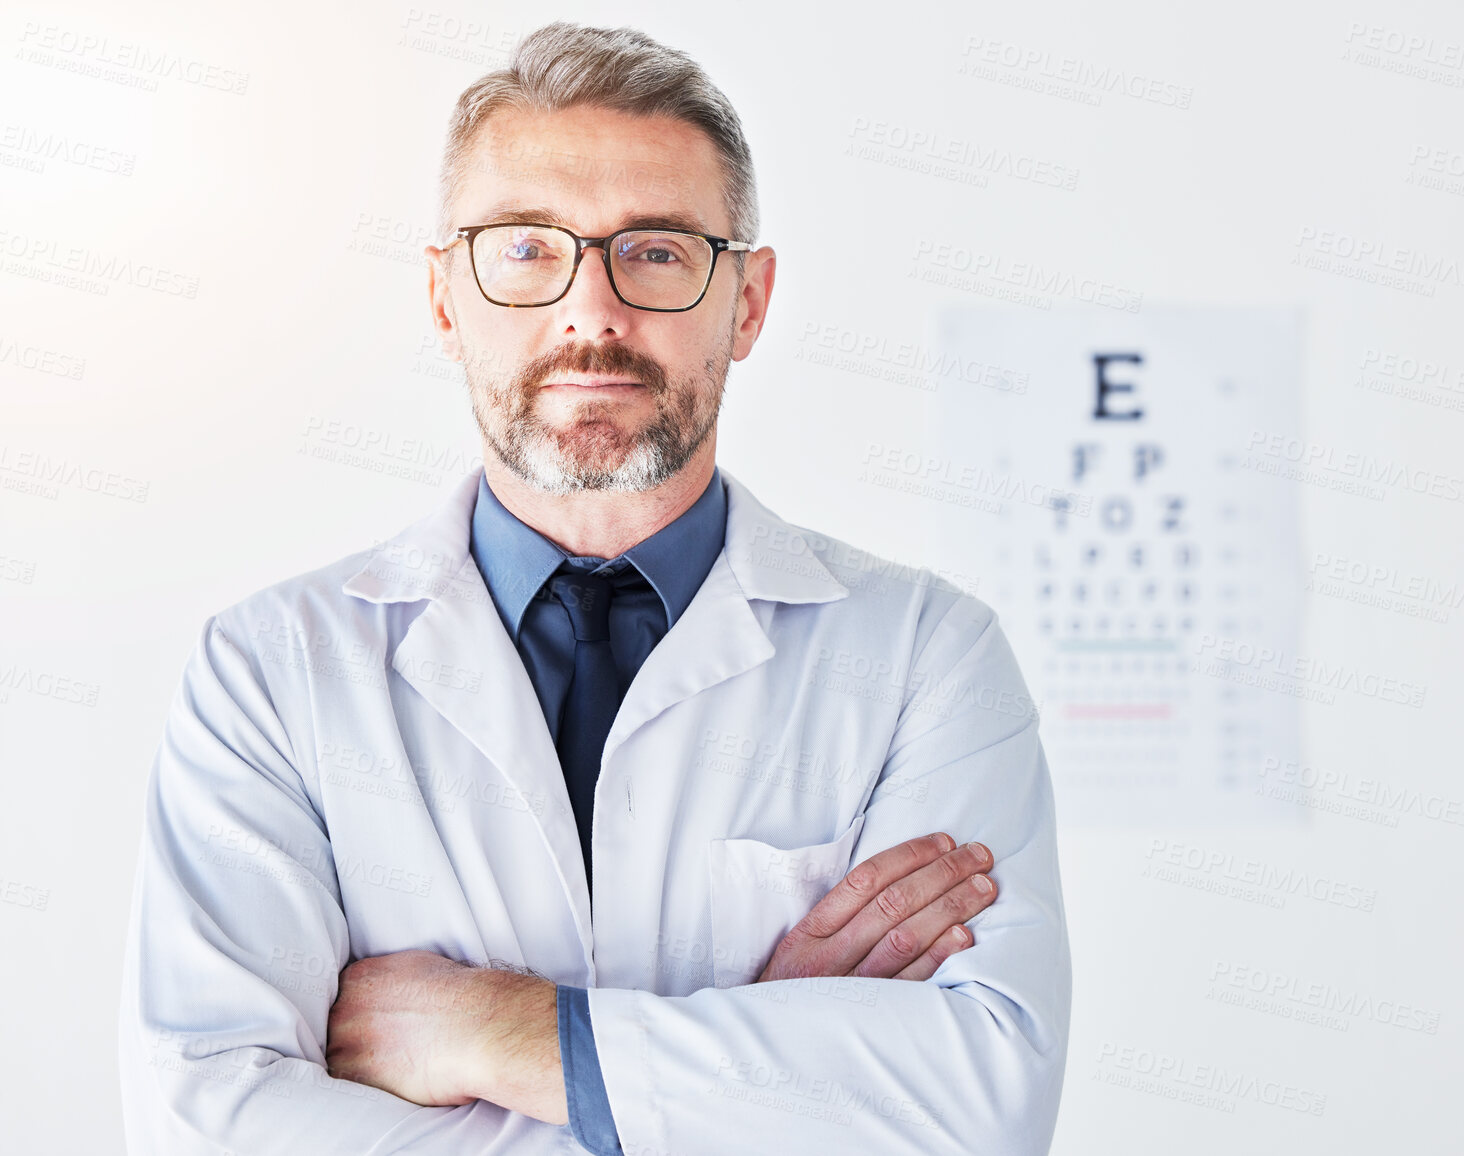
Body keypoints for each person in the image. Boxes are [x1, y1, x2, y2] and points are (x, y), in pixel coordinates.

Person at [118, 21, 1070, 1155]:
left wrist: (491, 1032)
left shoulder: (928, 656)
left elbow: (978, 1106)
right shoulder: (271, 672)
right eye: (525, 248)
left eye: (656, 250)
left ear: (749, 302)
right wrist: (765, 1060)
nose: (591, 314)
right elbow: (208, 1122)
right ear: (442, 298)